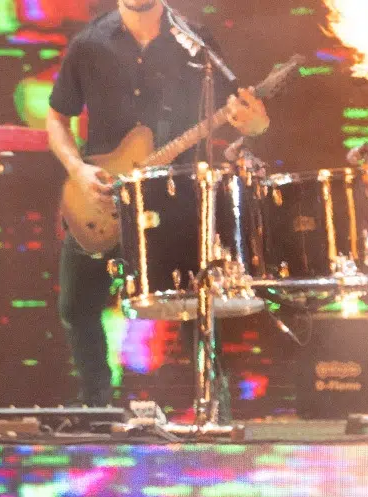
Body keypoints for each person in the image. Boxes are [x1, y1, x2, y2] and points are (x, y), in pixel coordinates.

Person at [46, 0, 269, 407]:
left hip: (176, 197)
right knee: (76, 306)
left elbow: (245, 114)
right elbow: (56, 118)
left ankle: (212, 405)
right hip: (102, 196)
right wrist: (78, 169)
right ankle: (96, 405)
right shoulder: (89, 43)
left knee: (196, 305)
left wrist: (256, 124)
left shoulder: (197, 43)